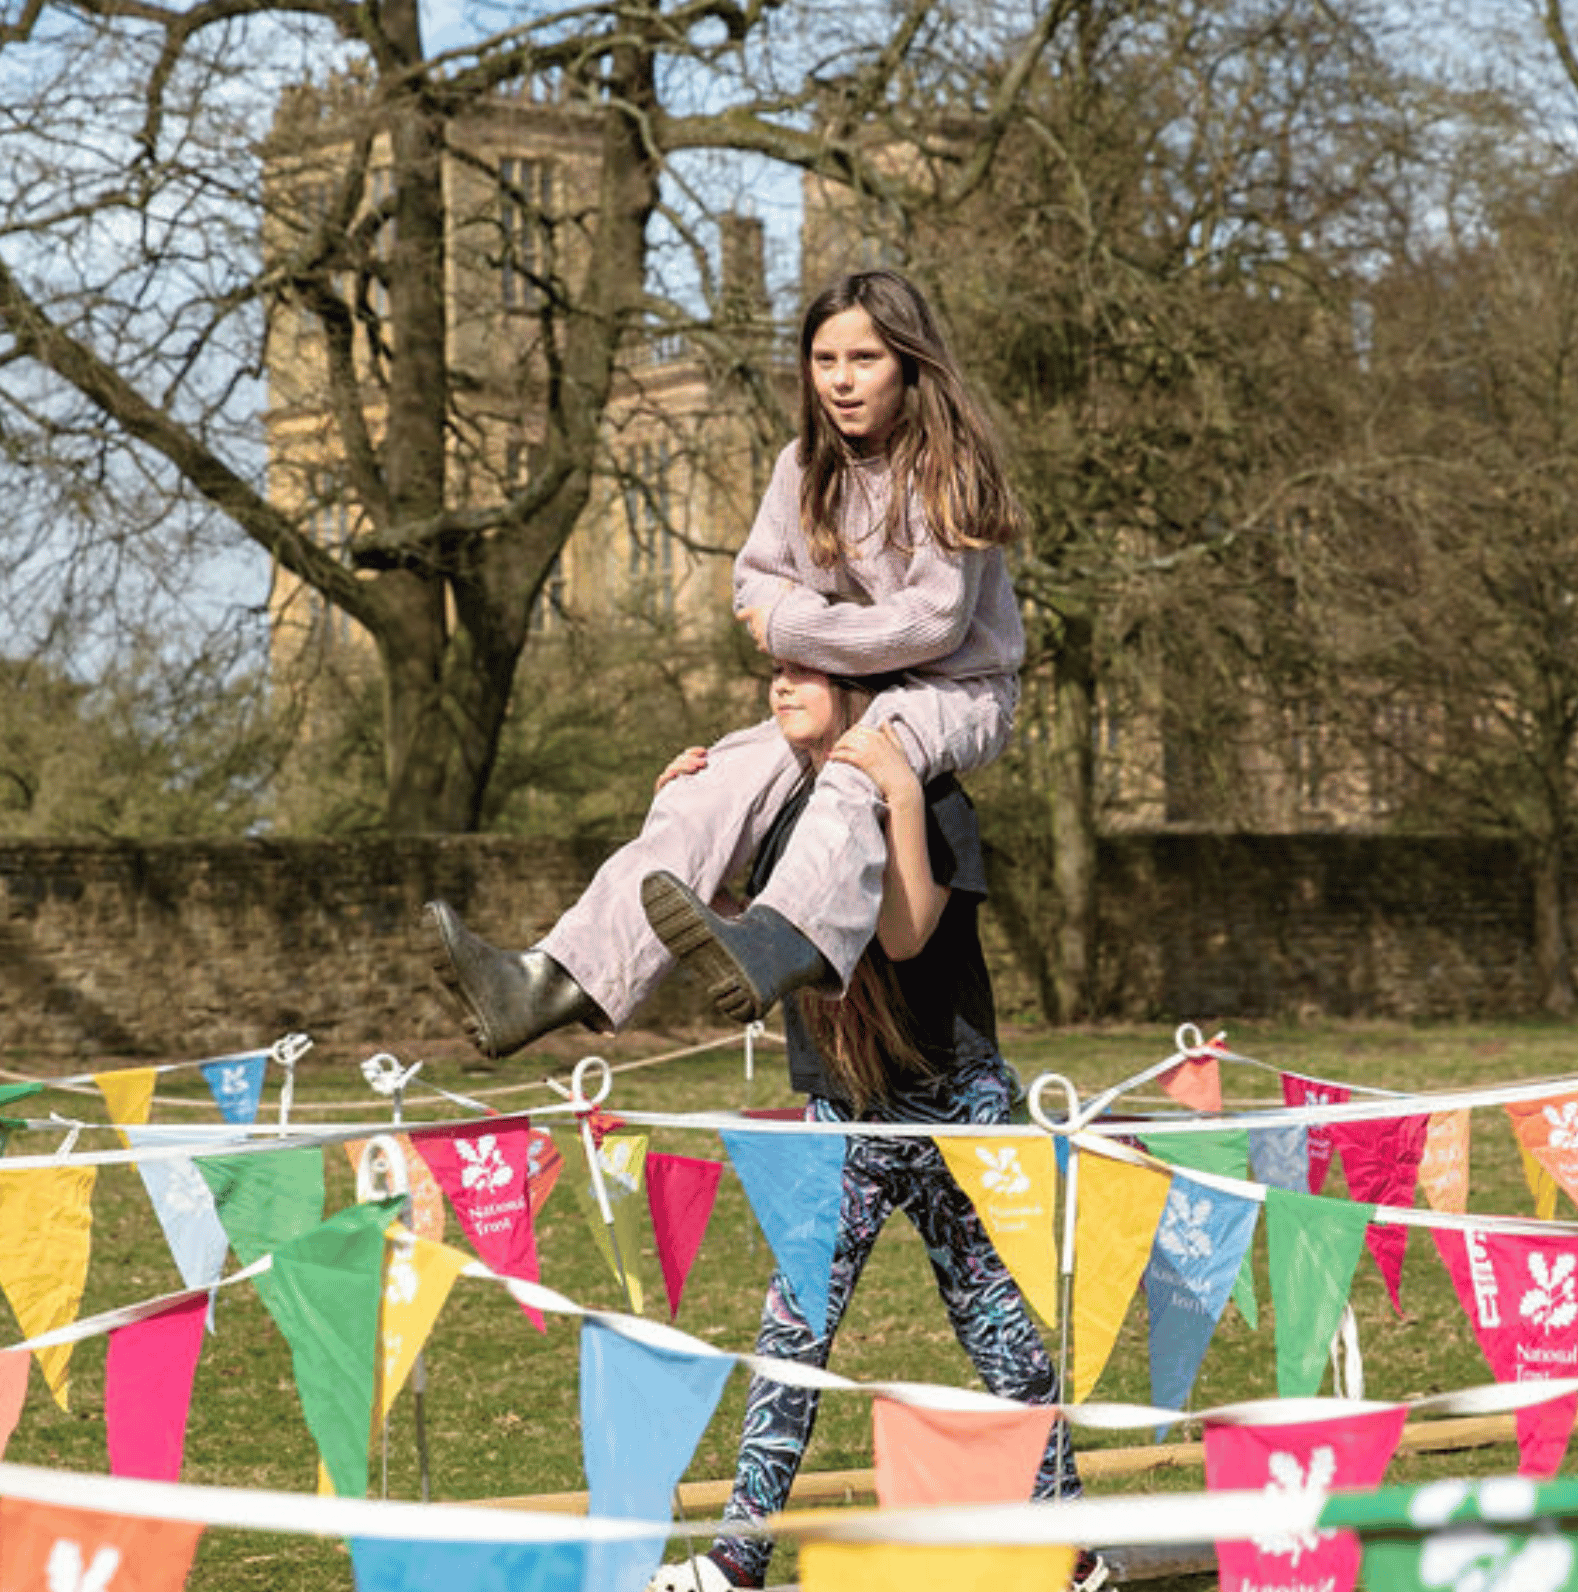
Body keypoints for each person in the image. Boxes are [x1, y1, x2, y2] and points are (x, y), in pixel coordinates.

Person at [425, 267, 1026, 1054]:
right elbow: (754, 586)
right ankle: (548, 983)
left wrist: (796, 625)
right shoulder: (801, 467)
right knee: (706, 791)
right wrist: (804, 625)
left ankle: (778, 940)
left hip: (953, 690)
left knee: (855, 766)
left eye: (864, 360)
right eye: (824, 361)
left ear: (910, 364)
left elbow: (931, 625)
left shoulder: (946, 468)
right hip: (847, 686)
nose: (841, 381)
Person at [640, 662, 1107, 1592]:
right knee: (792, 1328)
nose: (778, 687)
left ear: (863, 693)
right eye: (771, 671)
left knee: (998, 1331)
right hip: (840, 1110)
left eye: (804, 674)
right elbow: (752, 946)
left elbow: (904, 931)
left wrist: (894, 791)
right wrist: (680, 825)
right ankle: (740, 1558)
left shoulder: (933, 796)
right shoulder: (780, 810)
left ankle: (1075, 1552)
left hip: (951, 1100)